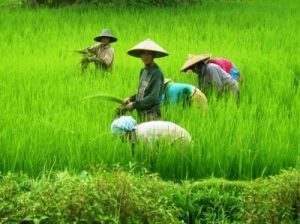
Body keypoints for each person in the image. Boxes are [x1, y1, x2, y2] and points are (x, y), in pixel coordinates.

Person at [123, 39, 168, 121]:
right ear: (140, 55)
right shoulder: (143, 71)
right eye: (143, 53)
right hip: (141, 114)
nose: (146, 56)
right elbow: (141, 92)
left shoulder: (157, 73)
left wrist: (134, 105)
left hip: (151, 115)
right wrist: (130, 98)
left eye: (149, 53)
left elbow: (153, 98)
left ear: (153, 55)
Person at [111, 116, 191, 155]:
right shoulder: (134, 133)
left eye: (120, 136)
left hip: (180, 139)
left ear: (126, 131)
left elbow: (150, 155)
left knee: (175, 163)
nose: (120, 139)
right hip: (174, 138)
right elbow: (134, 150)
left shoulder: (140, 134)